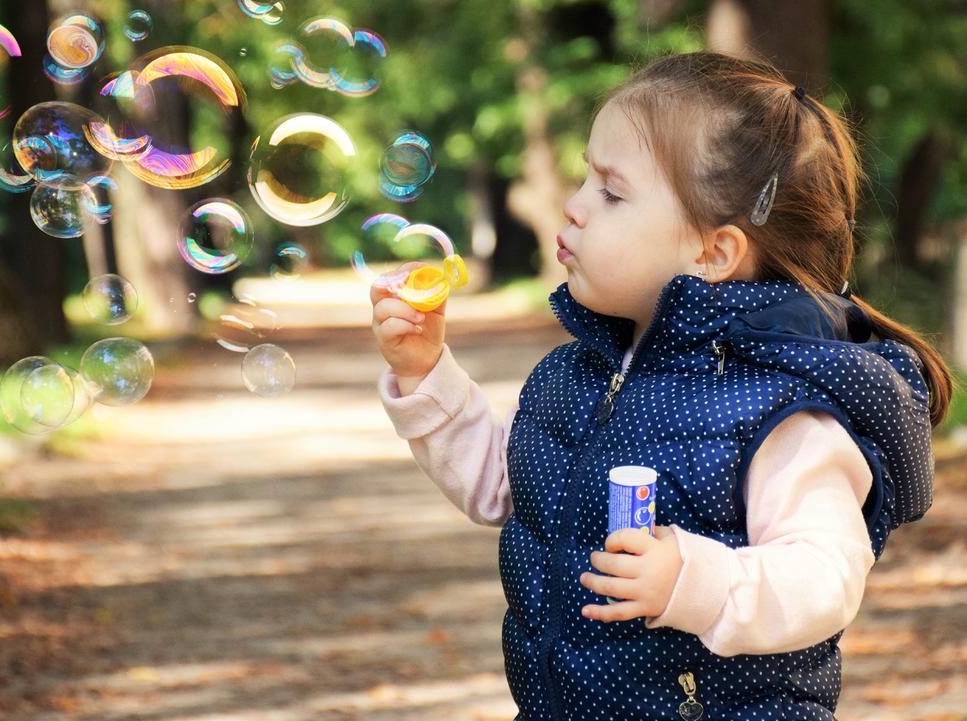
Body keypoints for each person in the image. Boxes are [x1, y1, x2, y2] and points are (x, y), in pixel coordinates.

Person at [370, 50, 954, 721]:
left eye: (611, 192)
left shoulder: (779, 409)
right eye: (585, 179)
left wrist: (694, 579)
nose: (573, 204)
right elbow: (506, 486)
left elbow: (825, 576)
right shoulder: (578, 372)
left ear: (711, 253)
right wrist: (424, 372)